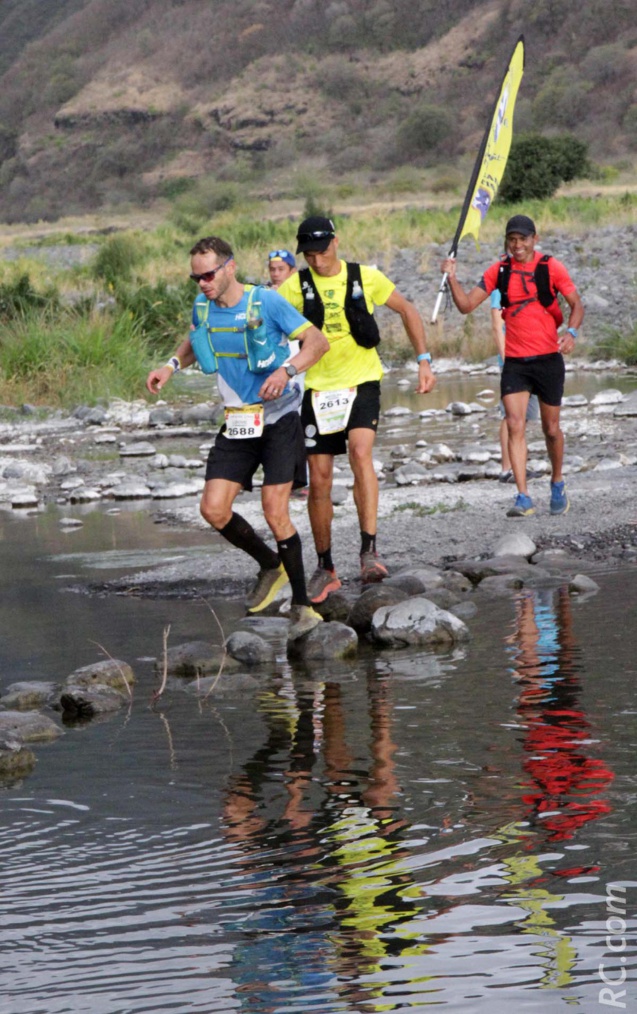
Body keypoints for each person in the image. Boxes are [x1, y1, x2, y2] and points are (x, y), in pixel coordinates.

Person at [146, 236, 330, 641]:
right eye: (196, 277)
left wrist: (287, 371)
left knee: (274, 510)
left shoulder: (266, 302)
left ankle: (303, 605)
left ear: (229, 267)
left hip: (280, 419)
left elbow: (317, 342)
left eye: (208, 275)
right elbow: (196, 341)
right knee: (213, 509)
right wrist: (170, 365)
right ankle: (270, 565)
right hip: (238, 422)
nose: (202, 283)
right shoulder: (203, 307)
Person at [278, 215, 436, 602]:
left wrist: (424, 360)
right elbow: (263, 320)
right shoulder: (294, 286)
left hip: (362, 381)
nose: (316, 260)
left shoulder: (365, 277)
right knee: (320, 477)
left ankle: (369, 552)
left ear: (336, 242)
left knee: (361, 453)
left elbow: (408, 310)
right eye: (309, 254)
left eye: (322, 250)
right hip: (316, 389)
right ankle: (325, 566)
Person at [442, 214, 584, 518]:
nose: (517, 245)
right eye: (512, 239)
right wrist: (452, 278)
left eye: (522, 239)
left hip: (548, 359)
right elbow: (466, 306)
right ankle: (523, 496)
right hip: (515, 362)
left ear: (534, 238)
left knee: (551, 429)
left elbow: (577, 305)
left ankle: (557, 482)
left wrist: (570, 333)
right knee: (515, 425)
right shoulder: (499, 270)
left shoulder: (550, 267)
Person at [490, 287, 540, 484]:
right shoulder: (500, 290)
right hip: (513, 360)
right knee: (510, 415)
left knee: (525, 416)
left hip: (533, 357)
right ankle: (506, 468)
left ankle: (519, 465)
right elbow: (497, 325)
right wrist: (506, 360)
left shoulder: (531, 285)